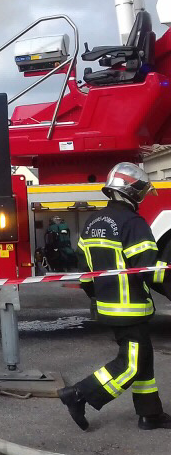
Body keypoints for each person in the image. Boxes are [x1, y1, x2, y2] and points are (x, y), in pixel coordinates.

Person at [58, 162, 171, 431]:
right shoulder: (132, 223)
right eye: (141, 192)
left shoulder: (93, 222)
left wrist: (101, 296)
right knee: (131, 364)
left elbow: (85, 275)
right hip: (130, 308)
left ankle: (150, 414)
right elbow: (150, 269)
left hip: (108, 306)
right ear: (131, 191)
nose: (142, 198)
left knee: (143, 359)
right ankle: (79, 394)